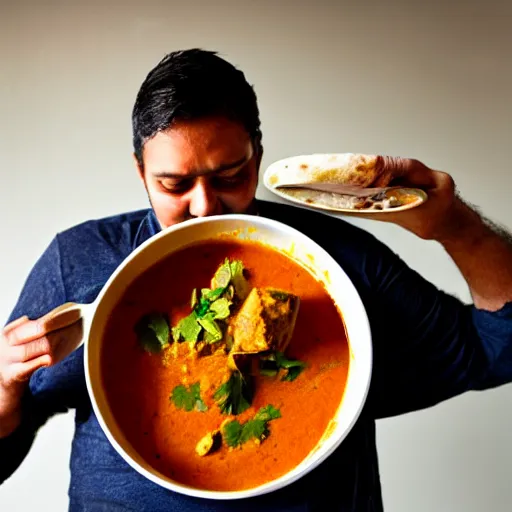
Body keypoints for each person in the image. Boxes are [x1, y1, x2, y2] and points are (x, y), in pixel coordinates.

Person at [1, 48, 511, 512]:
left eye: (230, 176)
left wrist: (454, 226)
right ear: (141, 173)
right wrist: (4, 389)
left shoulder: (337, 260)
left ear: (259, 157)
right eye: (174, 184)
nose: (203, 205)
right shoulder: (80, 260)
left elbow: (499, 347)